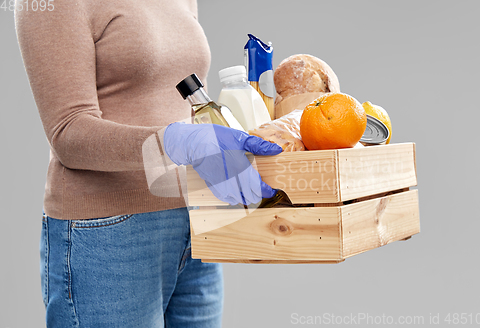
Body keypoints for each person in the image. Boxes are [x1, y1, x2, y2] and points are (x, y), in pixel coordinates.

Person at [15, 0, 281, 327]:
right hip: (108, 235)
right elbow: (68, 132)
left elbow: (193, 101)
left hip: (194, 223)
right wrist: (174, 141)